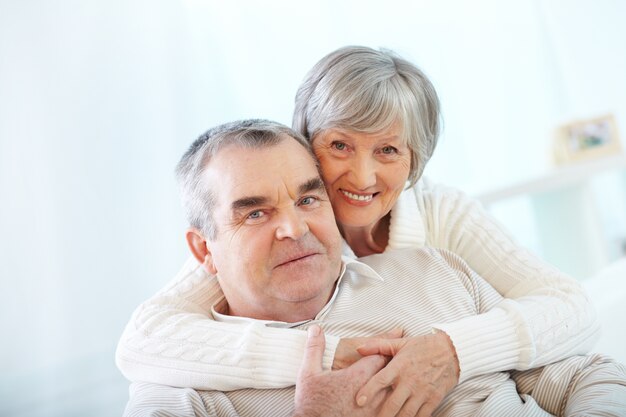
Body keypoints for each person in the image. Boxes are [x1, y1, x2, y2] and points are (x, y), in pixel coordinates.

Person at [116, 46, 600, 415]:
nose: (363, 178)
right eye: (340, 145)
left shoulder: (441, 248)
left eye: (388, 151)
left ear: (415, 160)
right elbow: (146, 341)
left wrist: (452, 350)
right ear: (306, 143)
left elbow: (570, 314)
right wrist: (324, 358)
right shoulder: (242, 253)